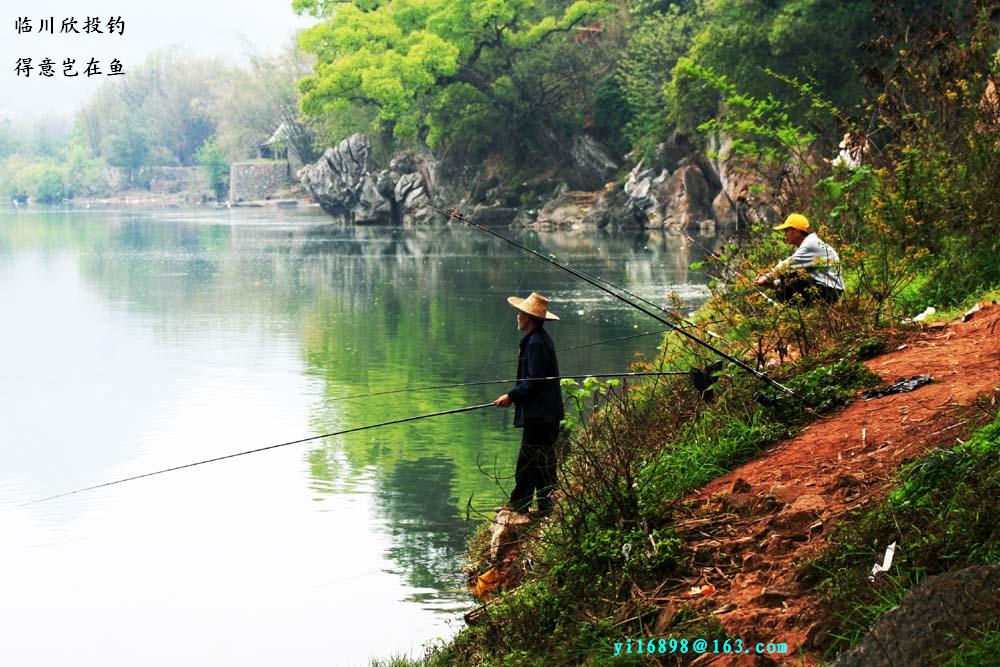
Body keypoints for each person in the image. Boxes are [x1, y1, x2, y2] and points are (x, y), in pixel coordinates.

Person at [494, 292, 564, 516]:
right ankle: (544, 505)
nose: (517, 317)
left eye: (520, 314)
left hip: (541, 415)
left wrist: (511, 396)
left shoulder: (535, 344)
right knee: (541, 461)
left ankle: (521, 506)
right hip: (544, 414)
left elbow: (533, 382)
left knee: (529, 462)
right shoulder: (538, 340)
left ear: (528, 318)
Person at [755, 213, 844, 304]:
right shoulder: (809, 244)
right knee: (789, 276)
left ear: (797, 232)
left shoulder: (810, 244)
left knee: (787, 277)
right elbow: (799, 272)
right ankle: (805, 312)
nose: (784, 234)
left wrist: (766, 277)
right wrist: (774, 283)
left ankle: (800, 311)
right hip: (830, 290)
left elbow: (788, 265)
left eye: (786, 230)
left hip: (829, 291)